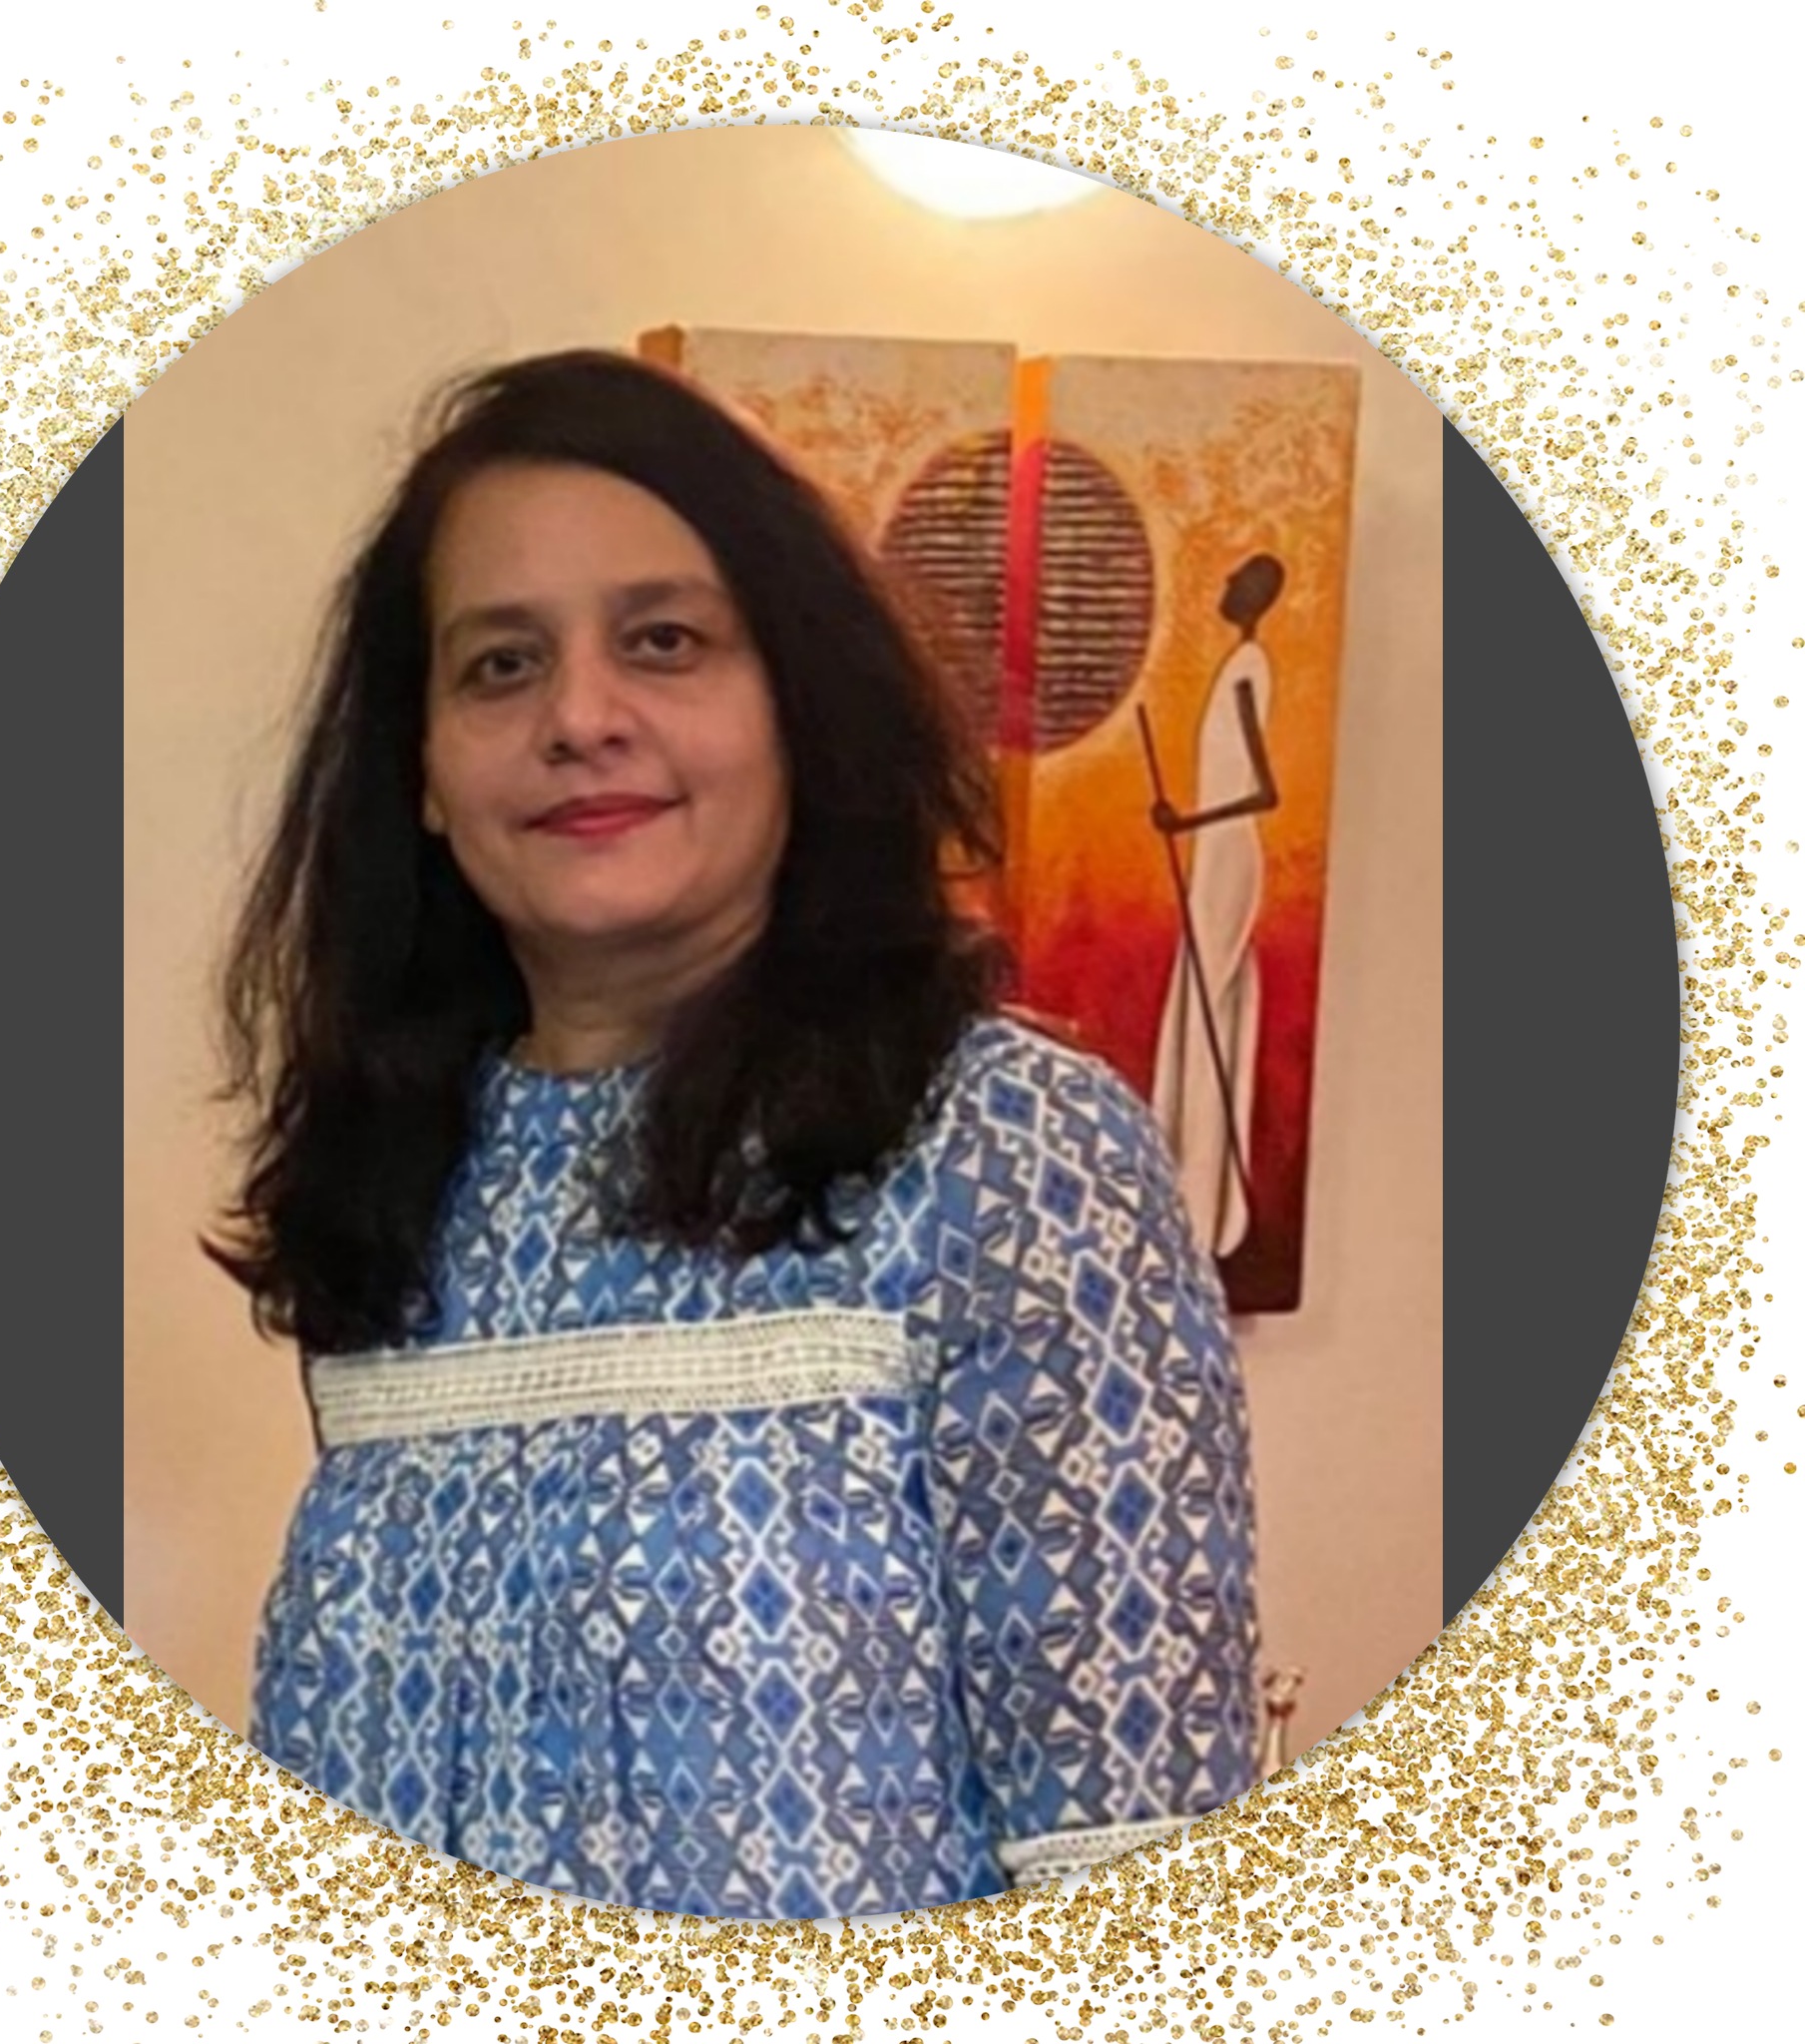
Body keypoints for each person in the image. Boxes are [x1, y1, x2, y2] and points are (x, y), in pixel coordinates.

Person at [215, 349, 1259, 1919]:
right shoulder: (399, 1180)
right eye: (500, 664)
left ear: (796, 708)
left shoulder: (1008, 1150)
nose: (580, 717)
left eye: (665, 641)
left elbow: (1138, 1873)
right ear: (419, 771)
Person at [1148, 554, 1285, 1261]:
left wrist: (1187, 821)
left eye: (1236, 582)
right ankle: (1187, 1190)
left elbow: (1263, 791)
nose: (1226, 587)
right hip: (1213, 857)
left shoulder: (1249, 668)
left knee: (1213, 1009)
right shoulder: (1237, 662)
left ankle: (1207, 1206)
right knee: (1199, 1006)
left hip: (1229, 856)